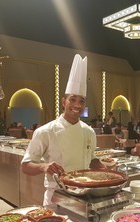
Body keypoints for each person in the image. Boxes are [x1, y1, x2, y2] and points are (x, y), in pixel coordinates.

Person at [21, 54, 104, 206]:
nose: (77, 105)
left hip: (85, 196)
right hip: (56, 198)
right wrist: (43, 166)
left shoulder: (89, 132)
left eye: (81, 101)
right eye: (72, 99)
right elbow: (25, 166)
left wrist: (104, 168)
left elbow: (91, 160)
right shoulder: (45, 131)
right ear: (63, 102)